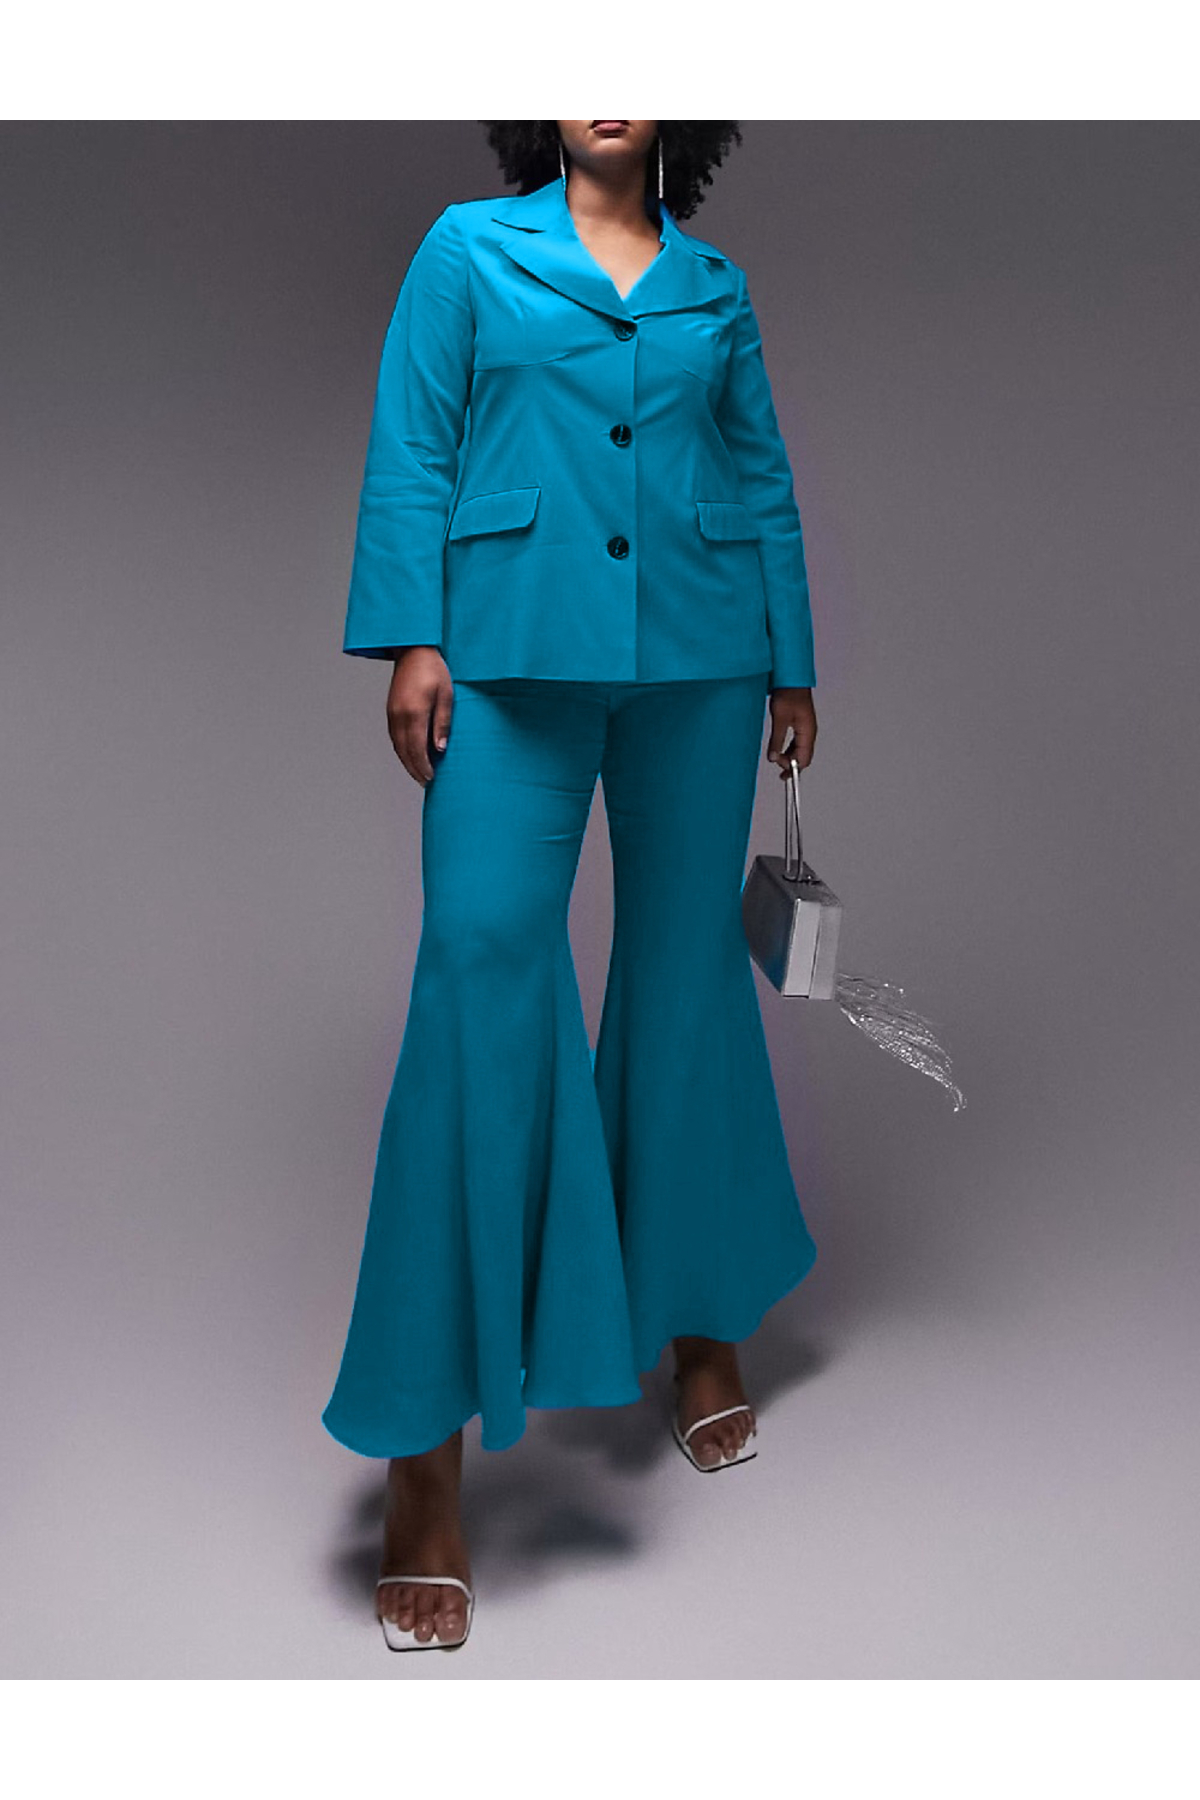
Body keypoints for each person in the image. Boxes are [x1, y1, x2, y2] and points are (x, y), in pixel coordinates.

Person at [321, 119, 820, 1652]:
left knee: (683, 982)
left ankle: (697, 1317)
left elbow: (758, 467)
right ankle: (422, 1450)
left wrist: (792, 663)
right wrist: (414, 636)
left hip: (702, 662)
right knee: (479, 970)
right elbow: (415, 441)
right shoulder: (468, 250)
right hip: (505, 655)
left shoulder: (716, 283)